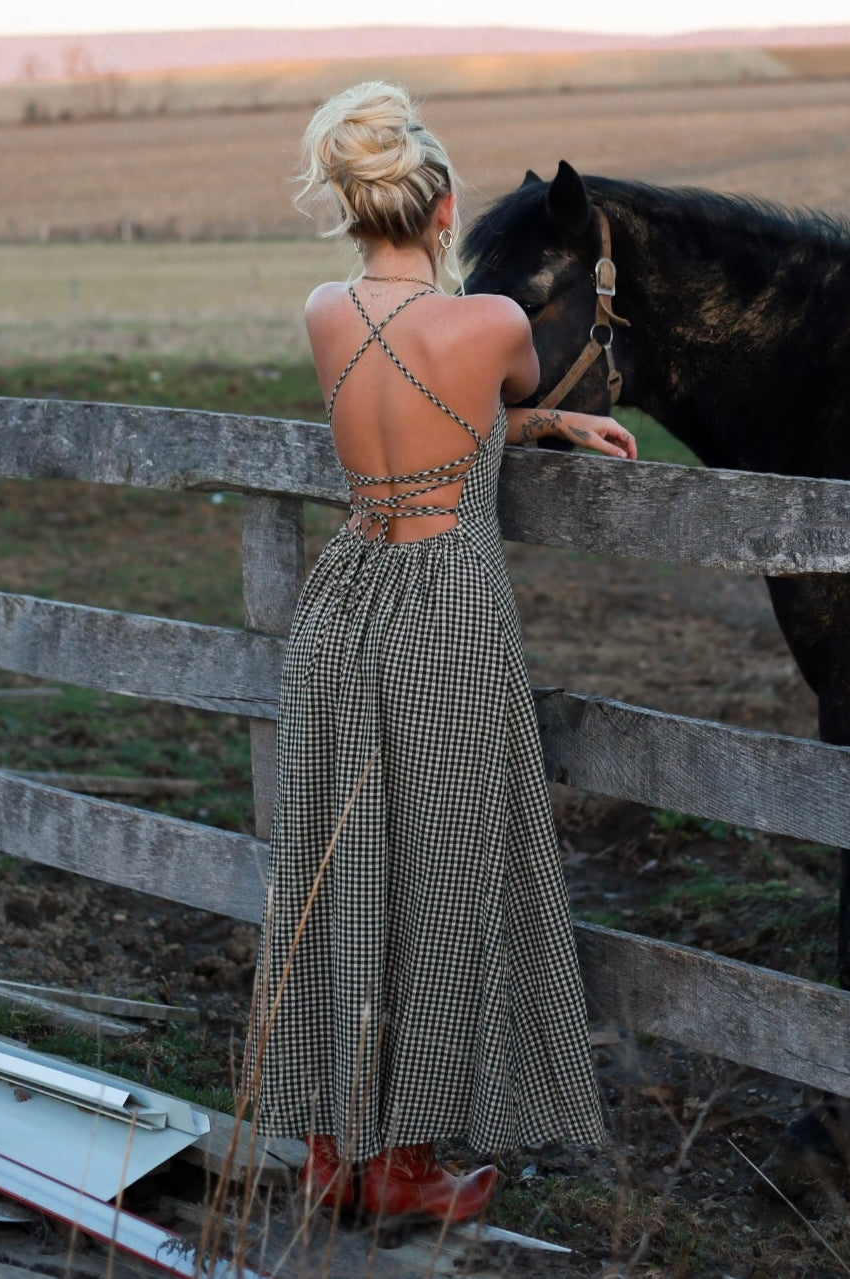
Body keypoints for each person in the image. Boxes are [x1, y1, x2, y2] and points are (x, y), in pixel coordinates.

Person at [244, 81, 637, 1226]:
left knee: (335, 868)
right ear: (443, 207)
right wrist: (549, 410)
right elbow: (474, 390)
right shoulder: (492, 325)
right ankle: (404, 1167)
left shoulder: (324, 309)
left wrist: (542, 426)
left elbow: (413, 415)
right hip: (443, 611)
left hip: (343, 601)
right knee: (441, 872)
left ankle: (331, 1156)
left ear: (352, 206)